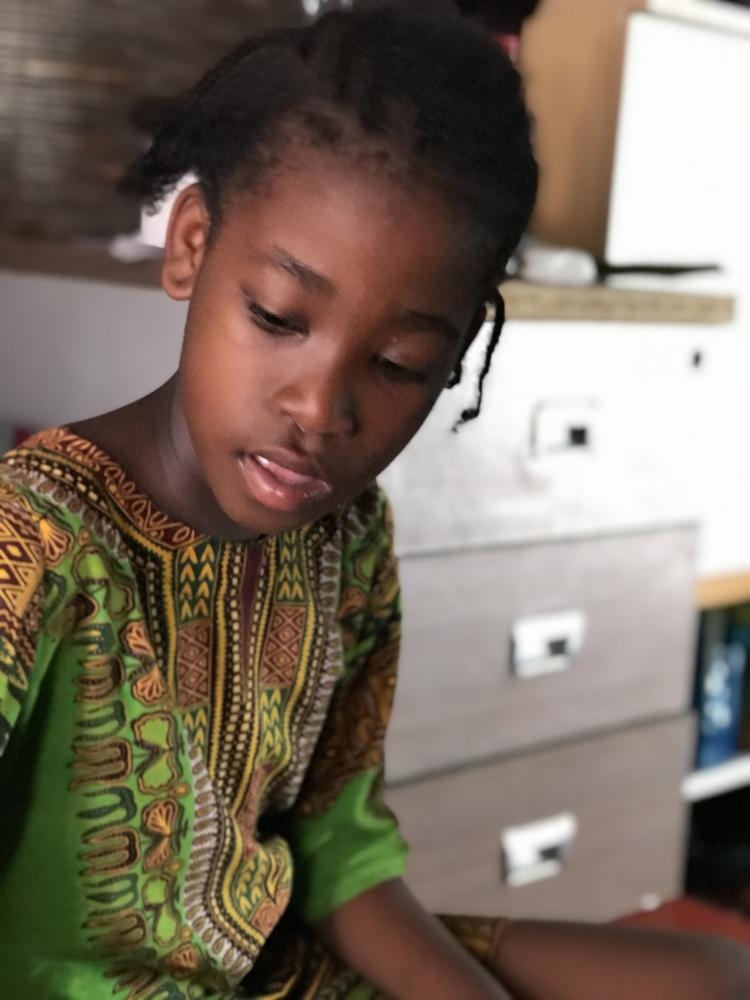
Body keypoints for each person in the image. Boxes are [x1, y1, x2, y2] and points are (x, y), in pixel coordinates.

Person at [0, 4, 748, 998]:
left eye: (400, 363)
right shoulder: (32, 543)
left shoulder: (344, 537)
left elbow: (337, 850)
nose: (321, 407)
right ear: (192, 245)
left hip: (270, 968)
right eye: (278, 317)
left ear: (458, 356)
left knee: (711, 976)